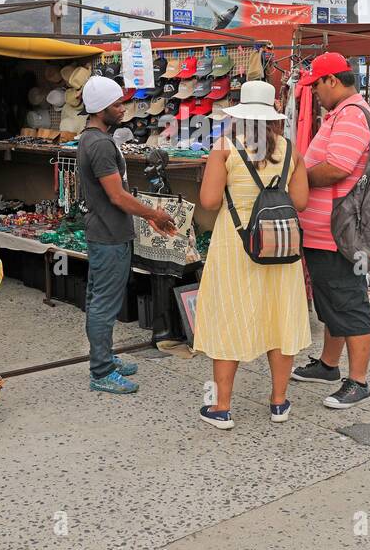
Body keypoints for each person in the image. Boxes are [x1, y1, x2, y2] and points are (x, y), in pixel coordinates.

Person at [193, 81, 310, 430]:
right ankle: (278, 402)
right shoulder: (291, 151)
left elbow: (210, 202)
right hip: (280, 246)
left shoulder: (224, 150)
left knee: (229, 314)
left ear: (240, 116)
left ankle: (222, 407)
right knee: (280, 317)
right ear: (273, 116)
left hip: (236, 245)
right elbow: (300, 202)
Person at [78, 75, 177, 394]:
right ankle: (102, 370)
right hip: (109, 235)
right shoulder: (102, 145)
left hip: (103, 231)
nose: (123, 109)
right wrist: (154, 214)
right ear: (100, 108)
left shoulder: (88, 138)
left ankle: (103, 357)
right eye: (117, 104)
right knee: (104, 304)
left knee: (98, 301)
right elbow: (117, 196)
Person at [289, 52, 370, 409]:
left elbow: (338, 167)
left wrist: (295, 179)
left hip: (341, 232)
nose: (314, 94)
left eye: (316, 86)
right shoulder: (341, 113)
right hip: (326, 231)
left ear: (332, 81)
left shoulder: (352, 115)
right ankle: (328, 365)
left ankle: (358, 381)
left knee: (350, 301)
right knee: (332, 301)